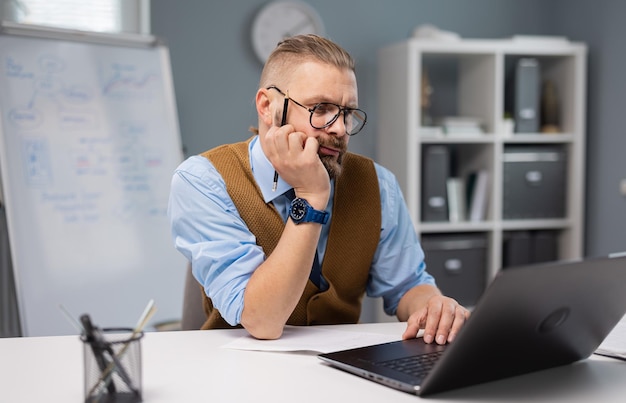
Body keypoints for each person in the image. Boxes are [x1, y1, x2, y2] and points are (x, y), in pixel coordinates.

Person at [168, 34, 470, 343]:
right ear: (268, 106)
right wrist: (311, 196)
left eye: (348, 112)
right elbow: (262, 321)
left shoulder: (378, 185)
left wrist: (432, 305)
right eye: (321, 108)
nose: (339, 128)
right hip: (233, 376)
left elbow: (408, 285)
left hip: (339, 372)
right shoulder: (204, 181)